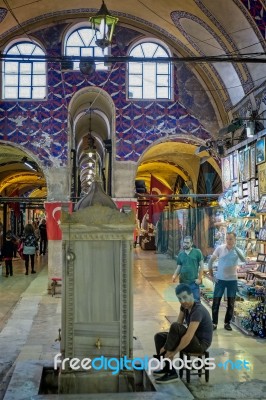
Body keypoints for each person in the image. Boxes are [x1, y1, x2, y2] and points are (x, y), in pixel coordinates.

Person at [153, 283, 213, 384]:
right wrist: (167, 343)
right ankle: (168, 369)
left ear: (192, 295)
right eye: (179, 299)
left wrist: (172, 351)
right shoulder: (184, 307)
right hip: (192, 339)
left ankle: (172, 373)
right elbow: (178, 325)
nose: (183, 301)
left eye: (185, 297)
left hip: (200, 344)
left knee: (175, 327)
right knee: (159, 336)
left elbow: (188, 335)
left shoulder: (197, 311)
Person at [208, 231, 246, 331]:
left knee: (231, 303)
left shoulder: (237, 250)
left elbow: (243, 259)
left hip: (232, 280)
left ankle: (227, 323)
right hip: (220, 280)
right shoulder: (220, 248)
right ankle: (214, 323)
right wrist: (211, 275)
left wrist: (235, 249)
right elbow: (211, 261)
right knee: (216, 302)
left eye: (231, 239)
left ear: (235, 240)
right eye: (227, 239)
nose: (228, 241)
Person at [172, 236, 204, 302]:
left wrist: (199, 278)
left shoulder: (197, 252)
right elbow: (179, 267)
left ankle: (195, 312)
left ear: (191, 243)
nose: (185, 244)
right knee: (184, 302)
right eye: (184, 242)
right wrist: (175, 275)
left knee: (196, 301)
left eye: (187, 243)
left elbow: (202, 266)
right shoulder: (181, 254)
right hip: (183, 282)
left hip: (193, 282)